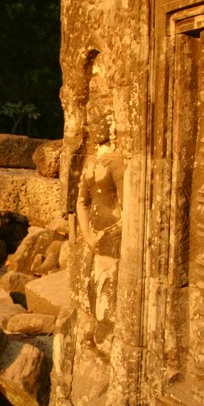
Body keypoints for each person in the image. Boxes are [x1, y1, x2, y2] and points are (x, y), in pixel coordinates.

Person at [76, 75, 124, 347]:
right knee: (91, 287)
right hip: (92, 235)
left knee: (109, 290)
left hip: (111, 236)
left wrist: (110, 234)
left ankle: (107, 338)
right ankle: (95, 332)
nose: (95, 128)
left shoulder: (116, 164)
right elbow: (82, 201)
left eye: (100, 123)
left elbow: (128, 206)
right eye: (91, 124)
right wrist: (86, 234)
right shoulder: (91, 161)